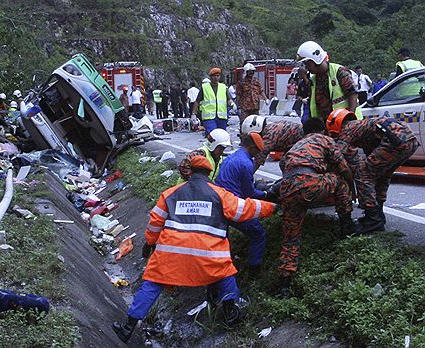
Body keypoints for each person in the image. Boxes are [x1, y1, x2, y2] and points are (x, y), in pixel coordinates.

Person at [112, 155, 277, 343]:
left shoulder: (171, 193)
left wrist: (149, 243)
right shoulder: (220, 194)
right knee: (225, 274)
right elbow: (245, 208)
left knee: (153, 282)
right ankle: (231, 314)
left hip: (171, 254)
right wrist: (272, 207)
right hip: (209, 255)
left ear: (190, 172)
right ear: (209, 173)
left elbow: (155, 223)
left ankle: (127, 327)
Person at [276, 118, 357, 295]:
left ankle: (284, 282)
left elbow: (283, 165)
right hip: (310, 184)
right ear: (323, 130)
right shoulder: (324, 140)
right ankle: (347, 225)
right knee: (340, 180)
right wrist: (352, 187)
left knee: (291, 237)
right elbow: (343, 167)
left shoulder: (296, 145)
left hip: (288, 189)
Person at [326, 109, 420, 234]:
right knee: (382, 175)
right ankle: (378, 215)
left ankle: (373, 219)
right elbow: (364, 158)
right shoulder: (363, 127)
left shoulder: (348, 128)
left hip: (395, 141)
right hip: (409, 141)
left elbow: (337, 155)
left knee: (363, 175)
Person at [215, 132, 270, 273]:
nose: (257, 155)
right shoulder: (246, 163)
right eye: (257, 151)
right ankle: (254, 269)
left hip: (219, 202)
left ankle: (222, 267)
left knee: (222, 240)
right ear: (252, 148)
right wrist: (266, 195)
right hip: (232, 206)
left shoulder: (231, 157)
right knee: (258, 234)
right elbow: (249, 194)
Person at [296, 41, 361, 121]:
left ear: (315, 60)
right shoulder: (313, 80)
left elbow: (353, 94)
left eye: (308, 64)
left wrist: (350, 119)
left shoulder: (339, 72)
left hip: (346, 124)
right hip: (328, 125)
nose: (306, 67)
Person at [191, 67, 236, 134]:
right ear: (210, 77)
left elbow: (228, 99)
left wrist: (232, 104)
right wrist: (193, 114)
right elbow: (197, 101)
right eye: (214, 76)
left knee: (222, 135)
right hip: (209, 118)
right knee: (213, 134)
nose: (216, 77)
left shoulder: (223, 87)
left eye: (218, 76)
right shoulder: (204, 87)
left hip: (221, 117)